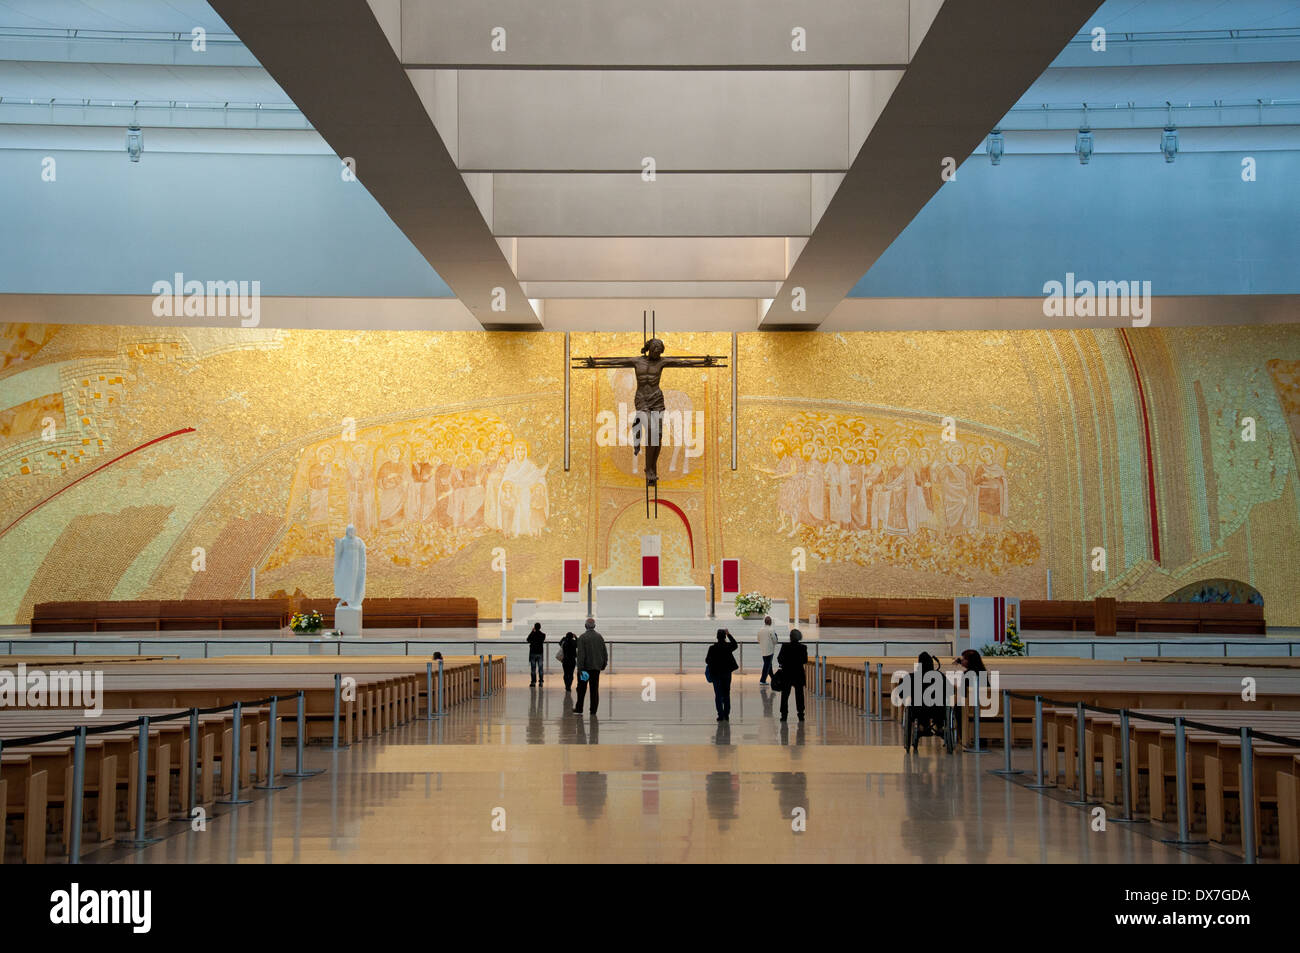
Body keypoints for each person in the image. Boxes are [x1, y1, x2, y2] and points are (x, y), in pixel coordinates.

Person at [573, 618, 608, 715]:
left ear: (585, 626)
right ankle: (593, 710)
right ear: (594, 626)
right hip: (596, 668)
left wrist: (580, 668)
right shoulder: (599, 637)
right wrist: (604, 663)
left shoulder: (583, 638)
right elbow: (604, 652)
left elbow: (581, 655)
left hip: (585, 669)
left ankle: (579, 708)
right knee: (594, 689)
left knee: (582, 689)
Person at [706, 629, 739, 721]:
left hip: (716, 674)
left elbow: (707, 660)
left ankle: (720, 715)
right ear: (724, 637)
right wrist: (729, 634)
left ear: (717, 637)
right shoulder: (728, 647)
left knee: (718, 694)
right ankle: (726, 714)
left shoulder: (712, 648)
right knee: (726, 694)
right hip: (726, 674)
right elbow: (735, 644)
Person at [776, 628, 808, 722]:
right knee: (799, 695)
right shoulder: (803, 647)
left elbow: (779, 659)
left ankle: (784, 714)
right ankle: (801, 714)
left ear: (790, 637)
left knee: (785, 695)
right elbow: (804, 660)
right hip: (798, 673)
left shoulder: (785, 646)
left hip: (787, 673)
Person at [756, 616, 778, 686]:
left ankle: (773, 678)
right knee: (767, 665)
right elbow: (775, 641)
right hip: (770, 650)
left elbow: (758, 640)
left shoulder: (760, 630)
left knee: (769, 665)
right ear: (770, 622)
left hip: (763, 649)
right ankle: (762, 680)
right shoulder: (771, 630)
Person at [526, 622, 546, 686]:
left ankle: (533, 682)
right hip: (540, 653)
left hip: (533, 653)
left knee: (533, 668)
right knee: (540, 668)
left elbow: (528, 639)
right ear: (540, 627)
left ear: (534, 627)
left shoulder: (533, 634)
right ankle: (541, 682)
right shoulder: (543, 635)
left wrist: (532, 632)